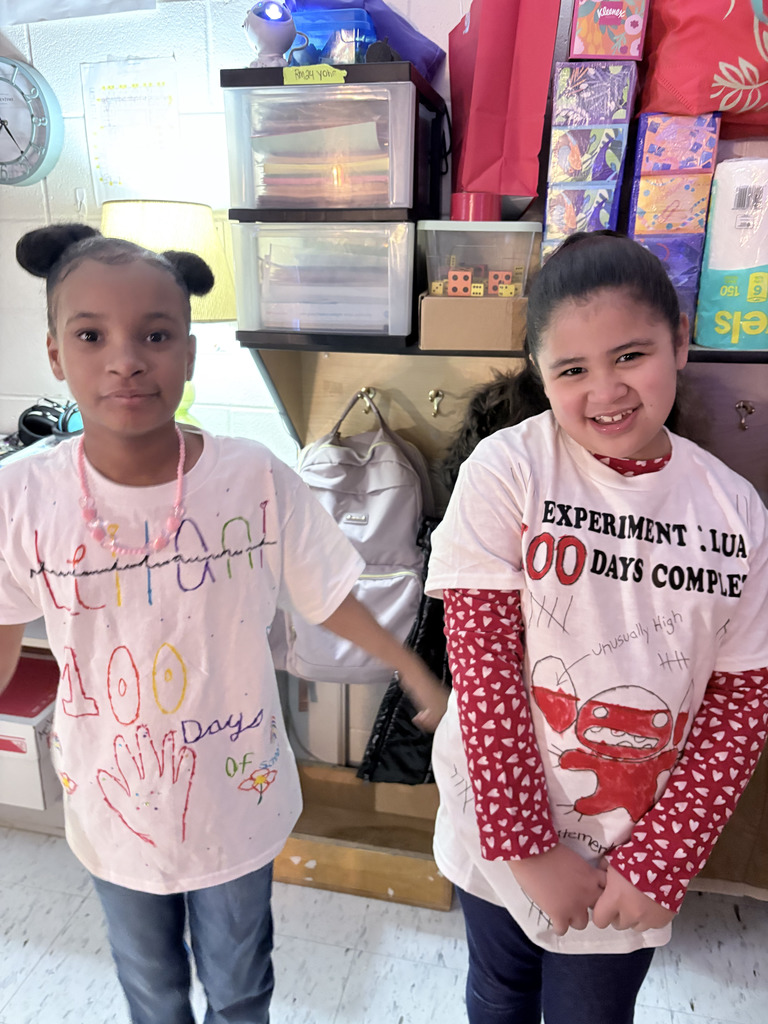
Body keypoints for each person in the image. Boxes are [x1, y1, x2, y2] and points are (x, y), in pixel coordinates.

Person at [0, 223, 447, 1024]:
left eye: (157, 334)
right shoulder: (22, 495)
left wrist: (412, 668)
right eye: (92, 334)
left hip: (236, 800)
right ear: (56, 353)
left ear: (192, 354)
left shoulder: (252, 478)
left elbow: (329, 594)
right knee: (153, 992)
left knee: (241, 988)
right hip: (112, 803)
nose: (126, 358)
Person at [425, 231, 768, 1024]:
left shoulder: (735, 511)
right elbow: (483, 669)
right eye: (572, 370)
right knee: (499, 992)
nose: (605, 390)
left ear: (680, 342)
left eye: (631, 355)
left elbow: (741, 704)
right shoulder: (508, 471)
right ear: (541, 375)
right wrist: (526, 847)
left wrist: (662, 860)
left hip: (633, 856)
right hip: (501, 834)